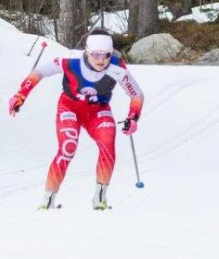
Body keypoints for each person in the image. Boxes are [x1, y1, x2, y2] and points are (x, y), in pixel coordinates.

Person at [8, 29, 144, 210]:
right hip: (70, 106)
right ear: (87, 51)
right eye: (96, 54)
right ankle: (47, 201)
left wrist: (133, 117)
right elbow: (39, 72)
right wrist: (20, 95)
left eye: (106, 55)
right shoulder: (71, 60)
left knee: (108, 143)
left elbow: (136, 94)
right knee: (67, 148)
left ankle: (100, 200)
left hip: (98, 110)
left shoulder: (117, 67)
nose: (101, 59)